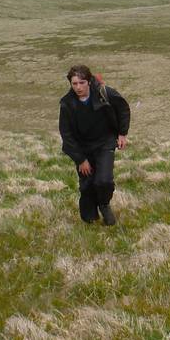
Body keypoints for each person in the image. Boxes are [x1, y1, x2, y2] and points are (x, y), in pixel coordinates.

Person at [58, 64, 130, 225]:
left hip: (105, 143)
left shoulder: (104, 93)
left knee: (104, 181)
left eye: (82, 83)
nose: (78, 87)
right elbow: (66, 135)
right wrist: (80, 159)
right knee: (87, 185)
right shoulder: (67, 104)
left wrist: (122, 133)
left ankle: (104, 204)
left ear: (89, 81)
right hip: (82, 148)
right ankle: (90, 219)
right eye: (74, 83)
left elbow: (123, 108)